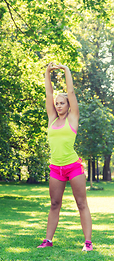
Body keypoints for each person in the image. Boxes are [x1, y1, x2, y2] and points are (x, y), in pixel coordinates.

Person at [38, 63, 92, 251]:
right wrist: (47, 73)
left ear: (68, 105)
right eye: (57, 103)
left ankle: (88, 242)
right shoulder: (52, 118)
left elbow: (71, 92)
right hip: (56, 168)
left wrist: (65, 70)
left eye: (62, 103)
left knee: (81, 203)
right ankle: (48, 240)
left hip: (73, 166)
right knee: (54, 204)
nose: (59, 105)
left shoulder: (73, 117)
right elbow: (48, 93)